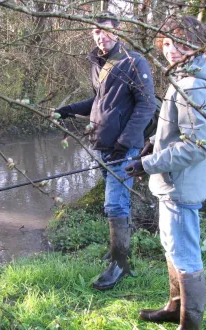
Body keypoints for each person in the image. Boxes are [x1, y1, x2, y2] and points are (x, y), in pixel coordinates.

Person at [125, 16, 206, 329]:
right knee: (172, 246)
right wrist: (150, 146)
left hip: (180, 185)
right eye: (167, 43)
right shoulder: (183, 77)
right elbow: (175, 130)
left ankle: (190, 323)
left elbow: (196, 147)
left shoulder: (193, 85)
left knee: (184, 253)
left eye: (181, 43)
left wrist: (148, 164)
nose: (172, 50)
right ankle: (174, 307)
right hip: (172, 182)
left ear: (197, 45)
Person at [55, 11, 156, 291]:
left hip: (124, 147)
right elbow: (100, 100)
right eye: (96, 32)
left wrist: (125, 142)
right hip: (101, 143)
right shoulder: (98, 64)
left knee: (115, 203)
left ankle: (120, 265)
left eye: (106, 31)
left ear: (119, 31)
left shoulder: (134, 61)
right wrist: (70, 110)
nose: (101, 36)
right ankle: (117, 252)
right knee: (117, 199)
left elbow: (146, 105)